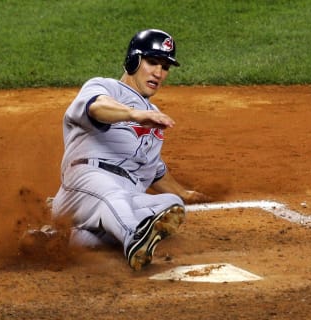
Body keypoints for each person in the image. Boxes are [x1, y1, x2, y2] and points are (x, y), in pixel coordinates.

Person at [50, 29, 210, 270]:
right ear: (133, 60)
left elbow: (154, 169)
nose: (159, 73)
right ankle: (135, 239)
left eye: (165, 67)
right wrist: (133, 114)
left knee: (170, 205)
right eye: (152, 62)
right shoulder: (105, 88)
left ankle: (65, 238)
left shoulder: (153, 114)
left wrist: (184, 193)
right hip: (87, 182)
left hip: (122, 194)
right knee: (115, 198)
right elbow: (96, 108)